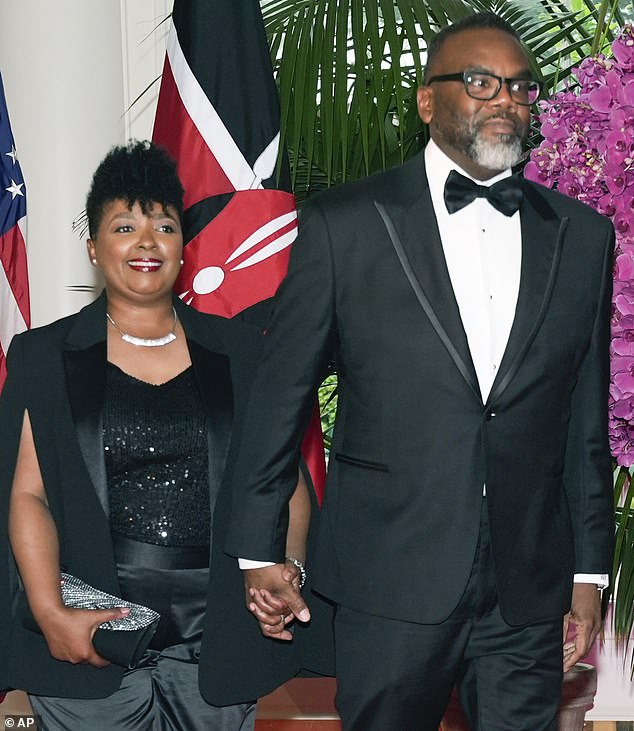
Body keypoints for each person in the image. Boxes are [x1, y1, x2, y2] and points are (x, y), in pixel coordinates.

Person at [225, 12, 615, 731]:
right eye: (480, 81)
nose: (507, 99)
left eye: (522, 88)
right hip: (389, 576)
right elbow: (281, 394)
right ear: (426, 101)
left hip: (527, 588)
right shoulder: (344, 223)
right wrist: (259, 547)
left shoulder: (584, 237)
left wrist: (589, 573)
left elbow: (584, 422)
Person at [0, 140, 320, 731]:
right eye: (125, 226)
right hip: (90, 627)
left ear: (183, 248)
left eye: (164, 226)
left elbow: (286, 485)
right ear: (94, 248)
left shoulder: (246, 353)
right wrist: (50, 613)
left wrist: (289, 570)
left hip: (218, 632)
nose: (147, 243)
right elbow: (27, 496)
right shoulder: (43, 356)